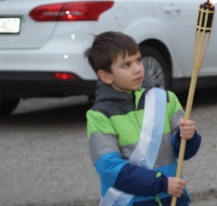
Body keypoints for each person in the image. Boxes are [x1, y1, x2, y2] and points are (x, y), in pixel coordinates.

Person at [85, 31, 202, 206]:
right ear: (105, 76)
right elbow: (109, 168)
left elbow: (184, 152)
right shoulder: (99, 115)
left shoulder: (165, 99)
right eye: (126, 65)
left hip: (172, 199)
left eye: (138, 60)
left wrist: (188, 137)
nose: (137, 69)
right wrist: (160, 183)